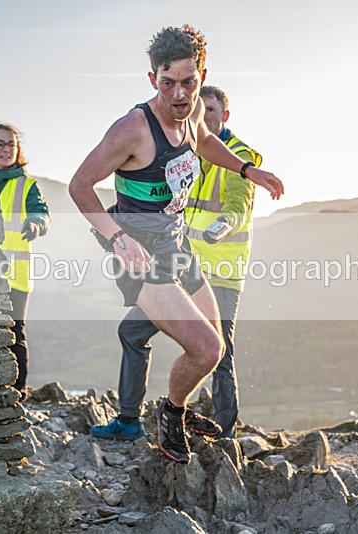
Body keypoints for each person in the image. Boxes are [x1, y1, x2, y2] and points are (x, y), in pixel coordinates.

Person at [69, 25, 283, 463]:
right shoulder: (133, 128)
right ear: (153, 80)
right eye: (168, 84)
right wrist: (117, 237)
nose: (180, 95)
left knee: (215, 344)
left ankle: (176, 412)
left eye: (189, 82)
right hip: (141, 258)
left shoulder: (193, 117)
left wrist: (247, 171)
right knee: (205, 349)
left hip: (177, 246)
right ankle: (170, 414)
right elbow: (79, 186)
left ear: (202, 75)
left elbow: (205, 142)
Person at [94, 85, 260, 440]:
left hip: (221, 272)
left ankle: (222, 436)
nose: (203, 113)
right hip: (175, 261)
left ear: (224, 116)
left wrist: (223, 222)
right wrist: (120, 233)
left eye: (211, 110)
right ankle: (131, 419)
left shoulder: (235, 153)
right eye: (204, 109)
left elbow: (238, 204)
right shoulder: (183, 141)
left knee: (217, 353)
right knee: (133, 332)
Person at [0, 122, 50, 399]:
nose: (6, 149)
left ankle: (18, 392)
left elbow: (42, 214)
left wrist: (36, 224)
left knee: (15, 332)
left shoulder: (27, 185)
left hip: (15, 274)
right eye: (0, 144)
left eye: (11, 144)